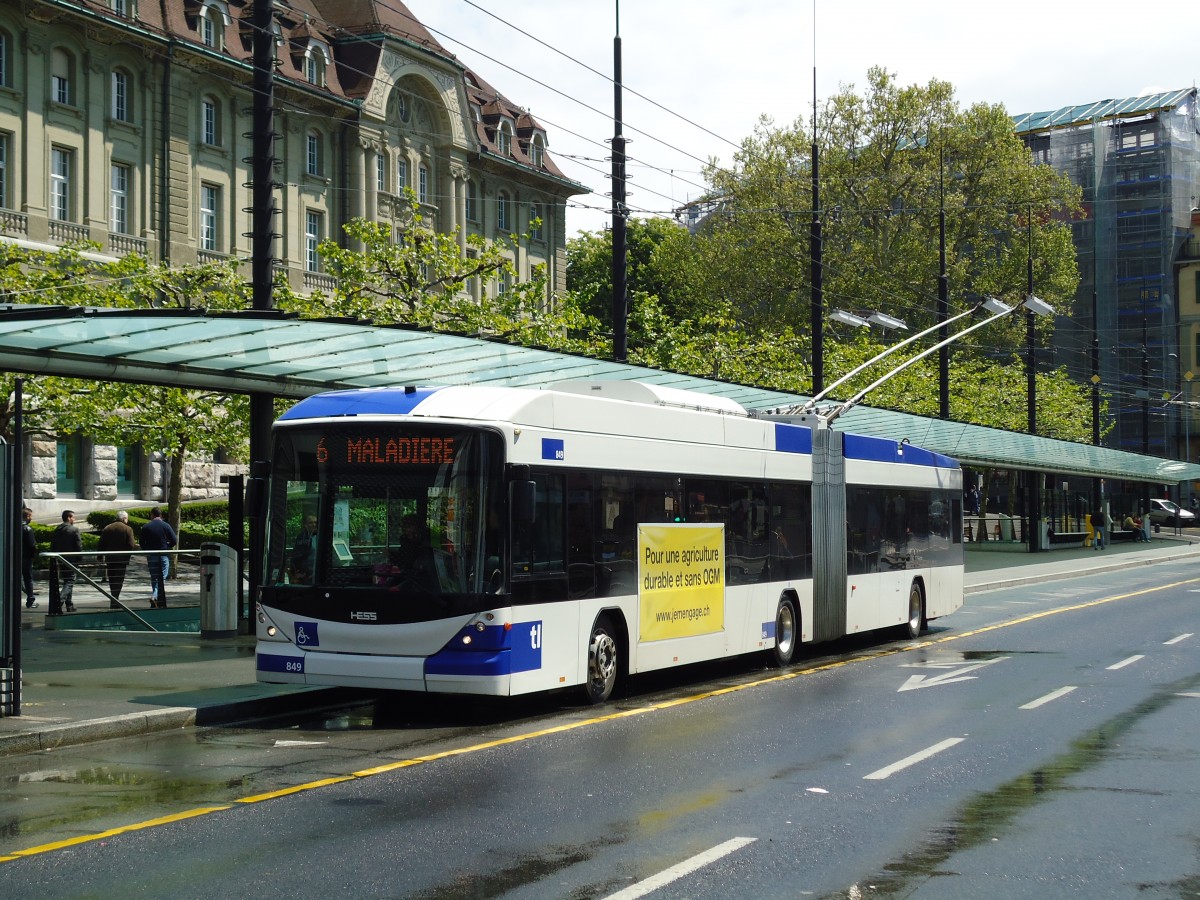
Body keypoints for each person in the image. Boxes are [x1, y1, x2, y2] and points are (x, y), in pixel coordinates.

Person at [97, 510, 137, 607]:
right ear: (124, 518)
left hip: (110, 558)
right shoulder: (128, 529)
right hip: (122, 559)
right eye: (127, 518)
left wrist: (100, 556)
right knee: (119, 580)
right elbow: (132, 544)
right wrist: (128, 554)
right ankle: (115, 599)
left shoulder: (108, 528)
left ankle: (113, 598)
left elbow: (101, 543)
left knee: (112, 579)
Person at [139, 507, 177, 608]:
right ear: (160, 515)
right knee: (163, 576)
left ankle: (155, 596)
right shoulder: (166, 526)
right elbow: (174, 540)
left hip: (152, 555)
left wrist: (148, 549)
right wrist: (167, 546)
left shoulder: (146, 527)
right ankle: (157, 596)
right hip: (163, 554)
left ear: (152, 515)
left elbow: (141, 543)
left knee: (154, 577)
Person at [48, 509, 82, 614]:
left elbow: (53, 544)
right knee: (70, 581)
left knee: (67, 580)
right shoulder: (74, 530)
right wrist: (79, 558)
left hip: (60, 558)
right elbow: (78, 545)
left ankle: (69, 604)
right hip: (71, 559)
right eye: (73, 517)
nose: (74, 519)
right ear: (69, 518)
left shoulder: (58, 529)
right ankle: (59, 602)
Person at [290, 512, 318, 584]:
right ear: (305, 525)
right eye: (310, 523)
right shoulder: (301, 537)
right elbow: (296, 556)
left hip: (316, 575)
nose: (314, 525)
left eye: (315, 522)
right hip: (304, 575)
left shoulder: (320, 536)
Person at [21, 507, 38, 609]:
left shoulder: (13, 526)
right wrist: (33, 555)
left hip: (15, 557)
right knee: (28, 578)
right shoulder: (27, 529)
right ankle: (30, 599)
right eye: (31, 516)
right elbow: (32, 545)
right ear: (27, 516)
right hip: (26, 557)